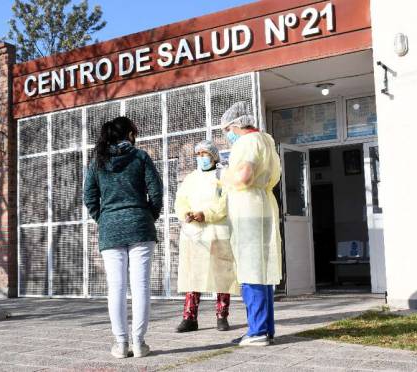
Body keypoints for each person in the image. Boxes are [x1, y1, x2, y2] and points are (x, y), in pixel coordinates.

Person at [84, 116, 163, 359]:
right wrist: (147, 215)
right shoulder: (140, 157)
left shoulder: (97, 161)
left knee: (116, 287)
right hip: (140, 225)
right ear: (129, 134)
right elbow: (156, 191)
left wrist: (104, 218)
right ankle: (139, 344)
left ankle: (120, 344)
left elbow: (89, 197)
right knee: (140, 286)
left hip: (110, 228)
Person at [220, 101, 282, 347]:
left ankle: (256, 332)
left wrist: (222, 176)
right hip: (264, 204)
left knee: (250, 268)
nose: (227, 136)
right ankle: (265, 329)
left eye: (226, 131)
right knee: (263, 268)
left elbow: (244, 176)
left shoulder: (246, 143)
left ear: (235, 126)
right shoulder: (266, 139)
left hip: (247, 208)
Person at [174, 140, 240, 333]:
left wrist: (206, 214)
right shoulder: (191, 178)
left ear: (214, 156)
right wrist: (186, 213)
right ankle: (190, 318)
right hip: (194, 233)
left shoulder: (222, 176)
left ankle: (222, 316)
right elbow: (181, 200)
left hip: (217, 231)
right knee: (193, 275)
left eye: (205, 154)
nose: (202, 158)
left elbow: (224, 203)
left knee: (222, 274)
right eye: (199, 154)